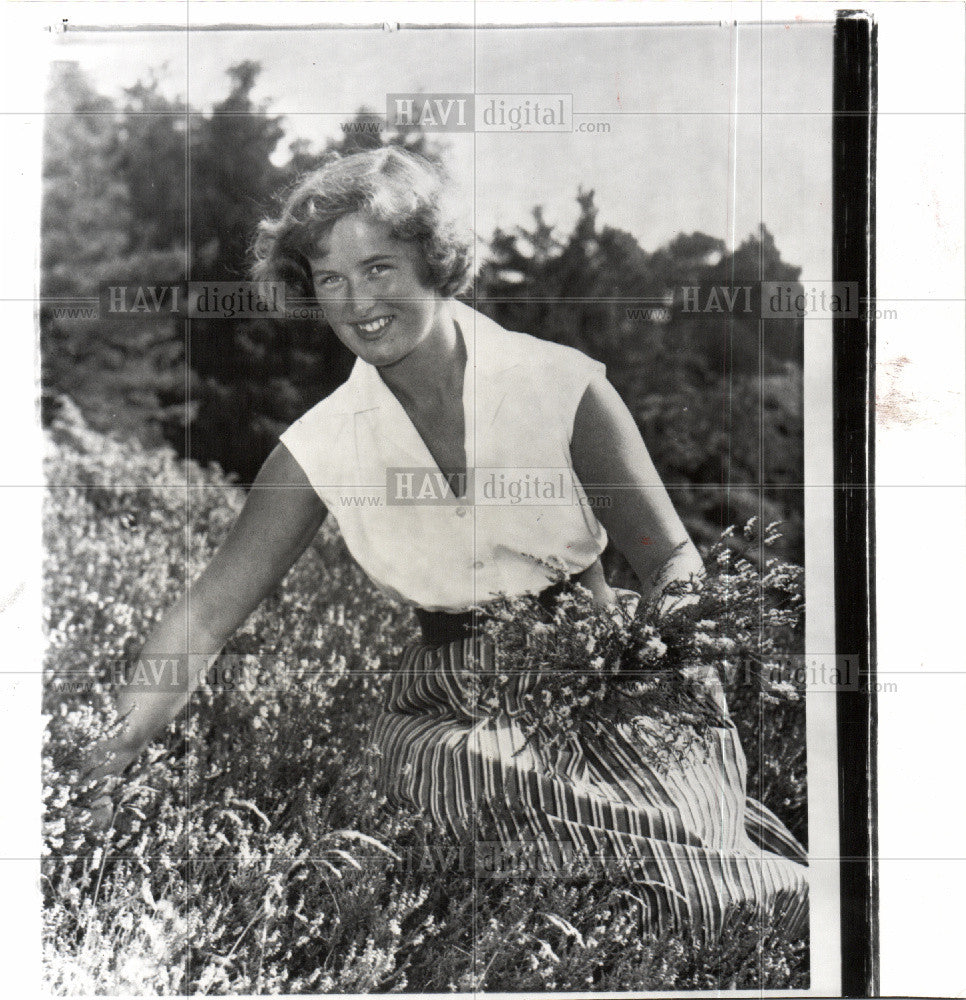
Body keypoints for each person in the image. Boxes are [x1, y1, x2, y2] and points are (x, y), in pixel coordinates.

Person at [86, 146, 807, 940]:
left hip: (611, 679)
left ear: (436, 262)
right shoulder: (320, 446)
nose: (358, 302)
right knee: (499, 822)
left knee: (688, 890)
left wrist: (663, 656)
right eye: (330, 278)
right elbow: (203, 619)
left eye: (380, 267)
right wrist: (108, 754)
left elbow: (672, 559)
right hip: (451, 712)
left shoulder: (560, 385)